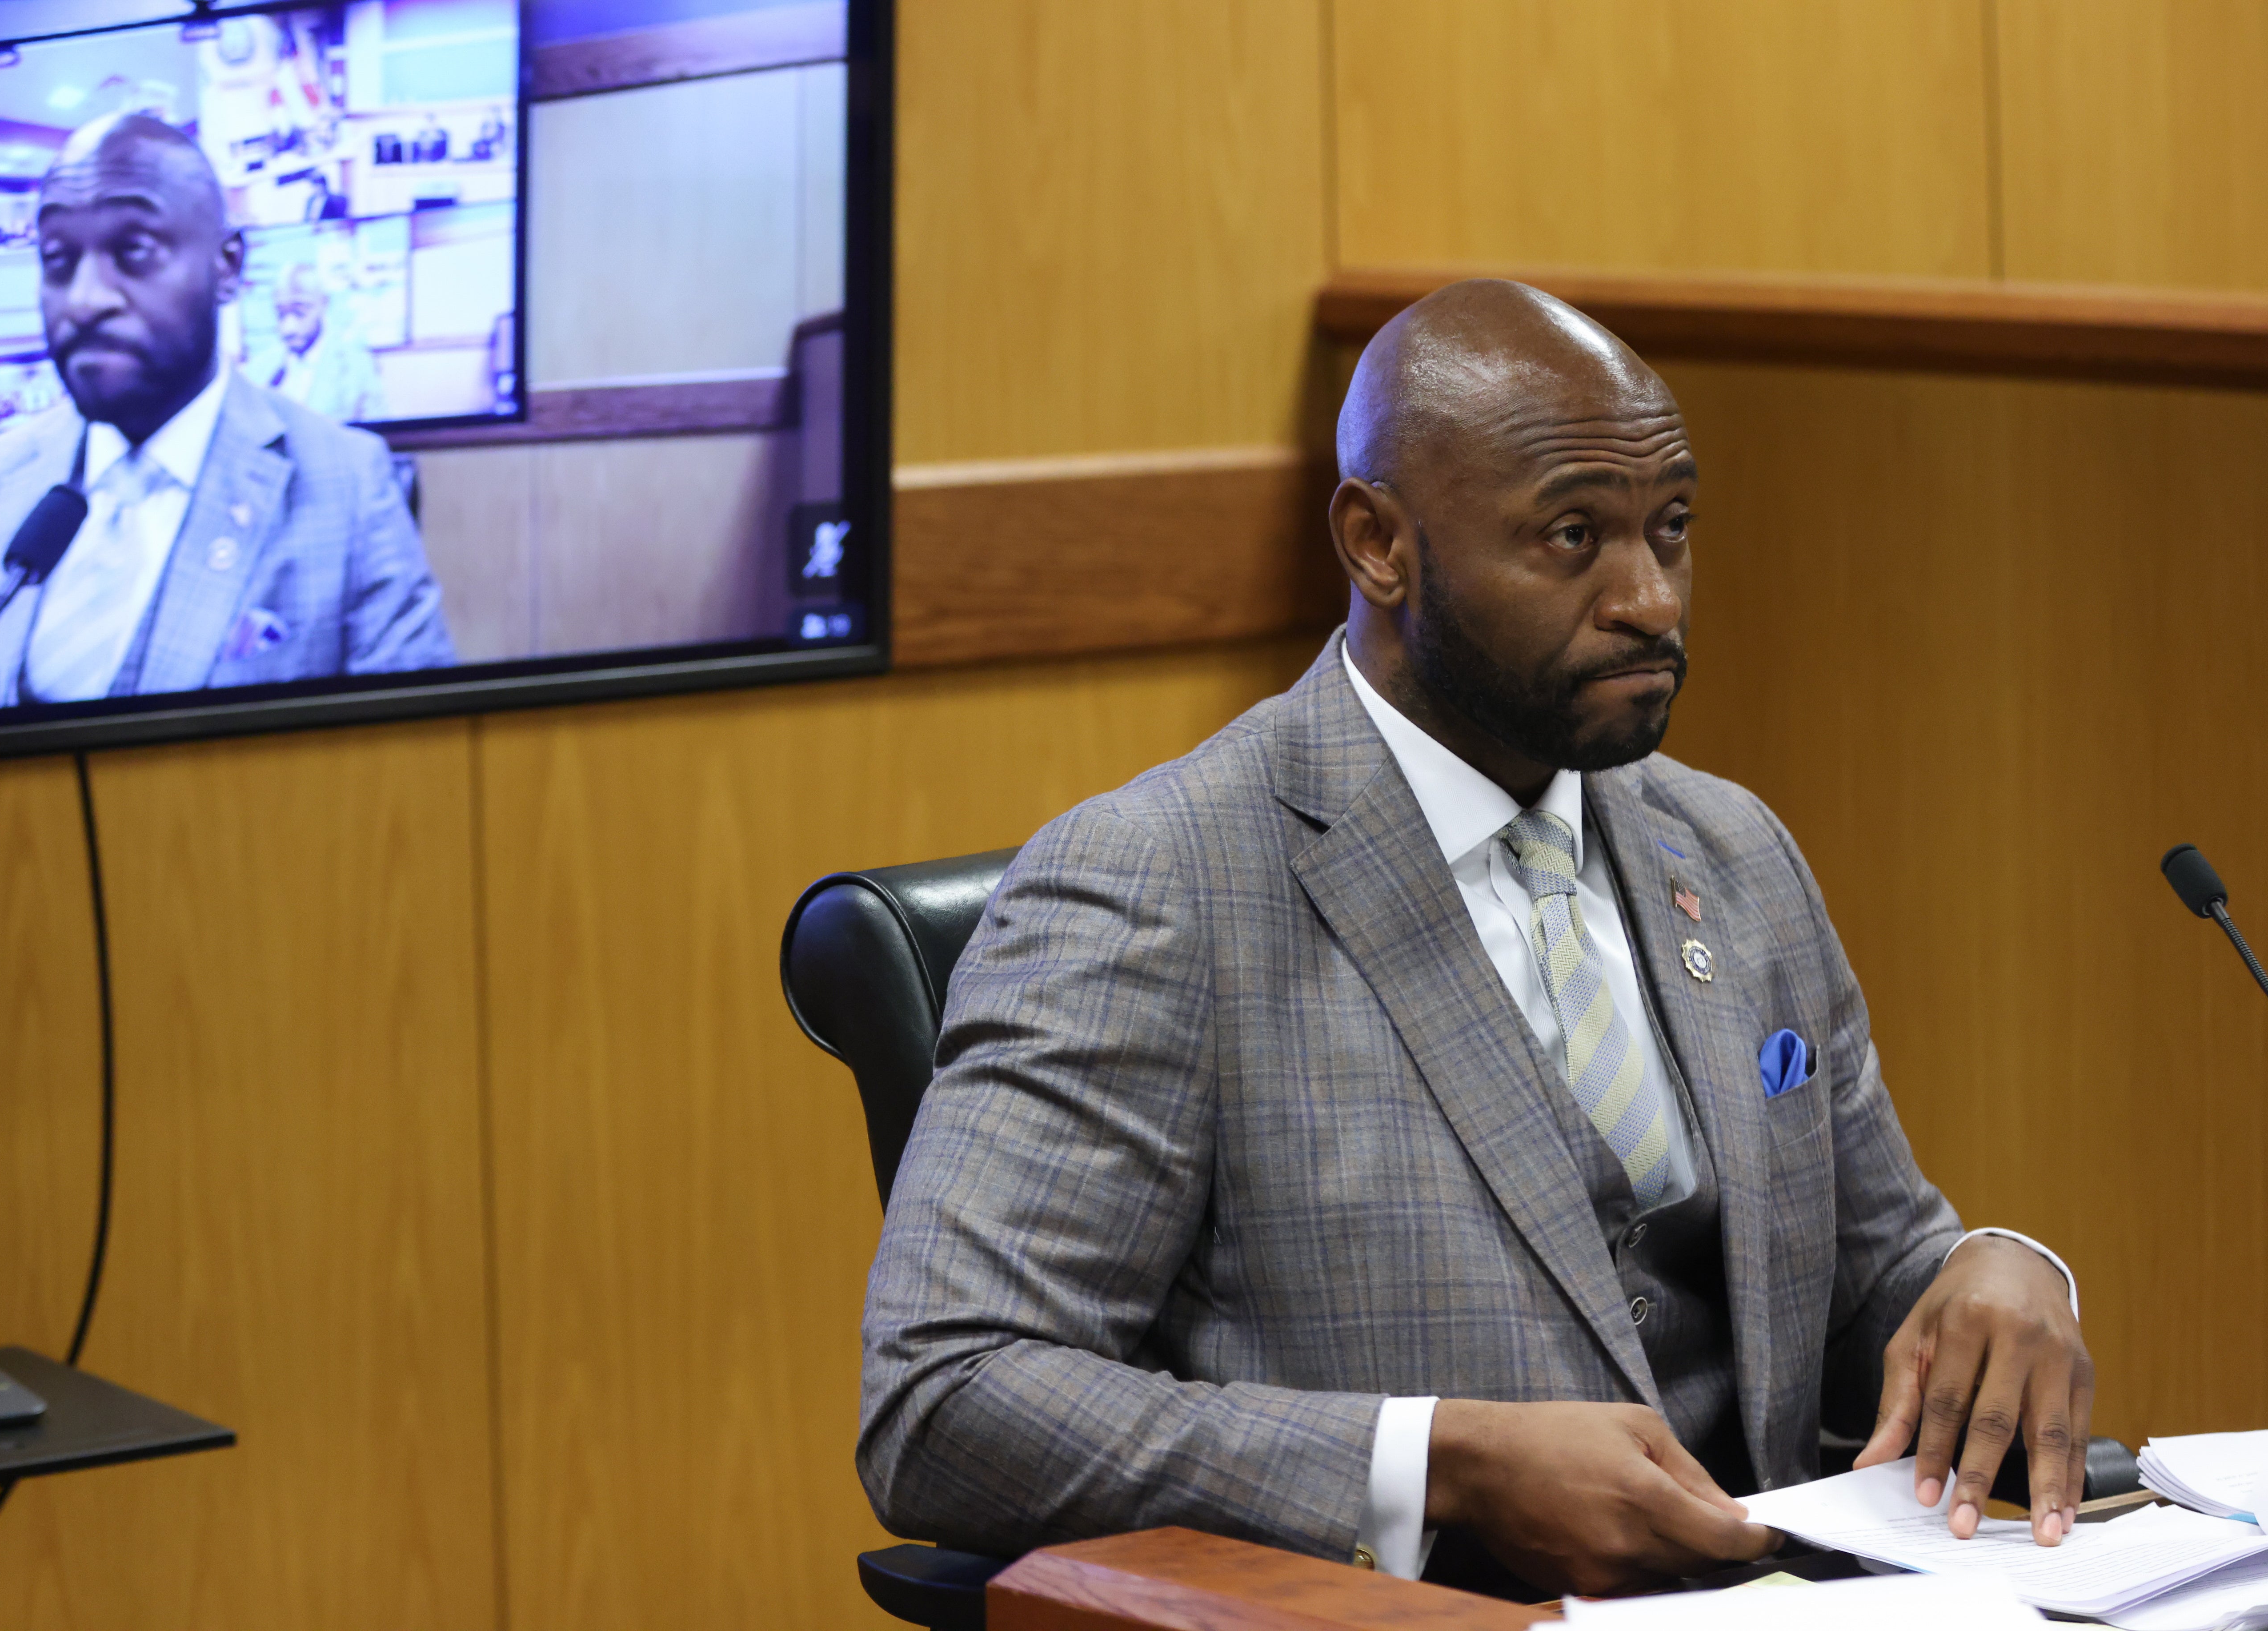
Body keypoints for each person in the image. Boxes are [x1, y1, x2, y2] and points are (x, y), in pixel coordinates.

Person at [860, 281, 2094, 1598]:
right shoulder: (1162, 883)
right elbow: (949, 1392)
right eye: (1574, 537)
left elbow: (1866, 1281)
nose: (1651, 599)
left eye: (1669, 529)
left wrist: (1990, 1270)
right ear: (1378, 543)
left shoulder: (1732, 854)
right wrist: (1438, 1462)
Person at [0, 112, 449, 708]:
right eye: (58, 258)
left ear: (227, 267)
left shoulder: (350, 485)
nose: (86, 299)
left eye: (134, 250)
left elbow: (413, 775)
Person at [256, 260, 385, 423]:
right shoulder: (259, 370)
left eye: (300, 313)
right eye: (281, 314)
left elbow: (378, 438)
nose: (288, 329)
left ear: (324, 304)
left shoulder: (358, 367)